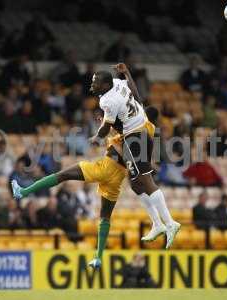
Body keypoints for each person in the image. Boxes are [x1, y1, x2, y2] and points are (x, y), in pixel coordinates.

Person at [12, 63, 180, 268]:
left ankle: (24, 191)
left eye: (95, 81)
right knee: (117, 205)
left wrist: (97, 135)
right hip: (115, 178)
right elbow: (134, 101)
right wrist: (126, 74)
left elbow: (113, 132)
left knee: (64, 175)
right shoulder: (135, 121)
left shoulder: (124, 126)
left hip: (105, 168)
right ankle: (101, 256)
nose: (92, 84)